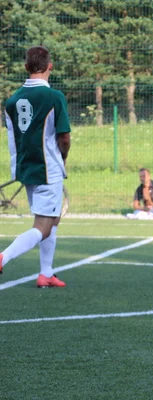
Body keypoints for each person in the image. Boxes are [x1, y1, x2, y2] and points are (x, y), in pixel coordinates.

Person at [0, 46, 71, 288]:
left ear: (25, 67)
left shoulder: (11, 100)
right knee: (44, 225)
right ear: (50, 66)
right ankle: (3, 257)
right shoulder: (54, 97)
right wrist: (63, 159)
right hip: (48, 169)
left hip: (26, 168)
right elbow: (64, 138)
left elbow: (14, 138)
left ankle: (46, 273)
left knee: (50, 220)